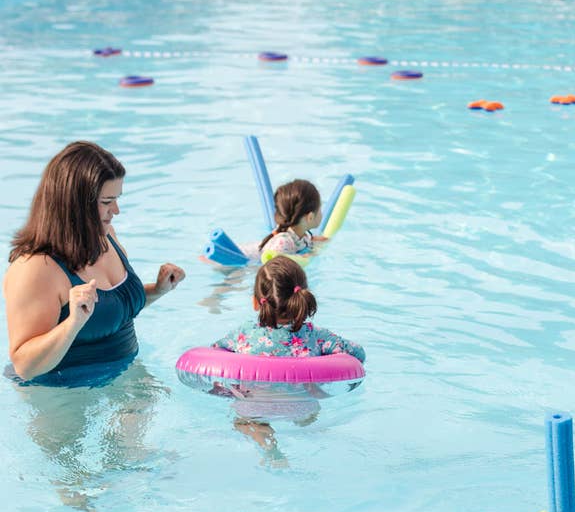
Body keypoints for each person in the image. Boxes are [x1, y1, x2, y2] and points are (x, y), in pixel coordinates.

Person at [4, 141, 185, 385]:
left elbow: (113, 308)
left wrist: (157, 290)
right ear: (75, 205)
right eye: (107, 201)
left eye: (117, 199)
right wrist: (73, 323)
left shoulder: (106, 236)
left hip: (124, 374)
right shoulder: (35, 268)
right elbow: (25, 366)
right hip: (63, 391)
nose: (117, 210)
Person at [211, 255, 365, 362]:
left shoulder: (243, 334)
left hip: (249, 406)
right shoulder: (317, 337)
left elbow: (214, 352)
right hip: (302, 407)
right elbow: (358, 354)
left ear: (256, 302)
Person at [250, 179, 327, 260]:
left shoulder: (301, 233)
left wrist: (316, 241)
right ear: (310, 217)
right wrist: (306, 257)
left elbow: (304, 242)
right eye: (320, 208)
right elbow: (274, 268)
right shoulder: (283, 243)